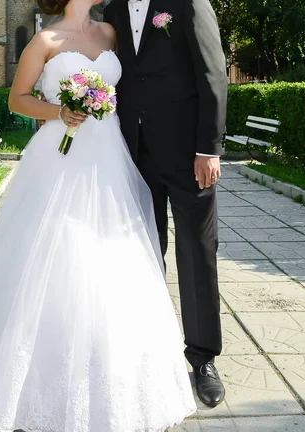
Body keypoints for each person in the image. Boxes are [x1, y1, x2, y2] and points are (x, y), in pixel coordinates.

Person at [0, 0, 197, 432]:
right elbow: (18, 99)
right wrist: (59, 111)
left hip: (109, 154)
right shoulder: (45, 40)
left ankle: (110, 368)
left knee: (109, 254)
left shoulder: (111, 34)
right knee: (56, 250)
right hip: (59, 155)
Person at [103, 0, 228, 407]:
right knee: (142, 253)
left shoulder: (188, 3)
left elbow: (213, 71)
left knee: (196, 252)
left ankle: (203, 358)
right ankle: (148, 351)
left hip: (189, 157)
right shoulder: (113, 11)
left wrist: (209, 148)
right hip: (136, 155)